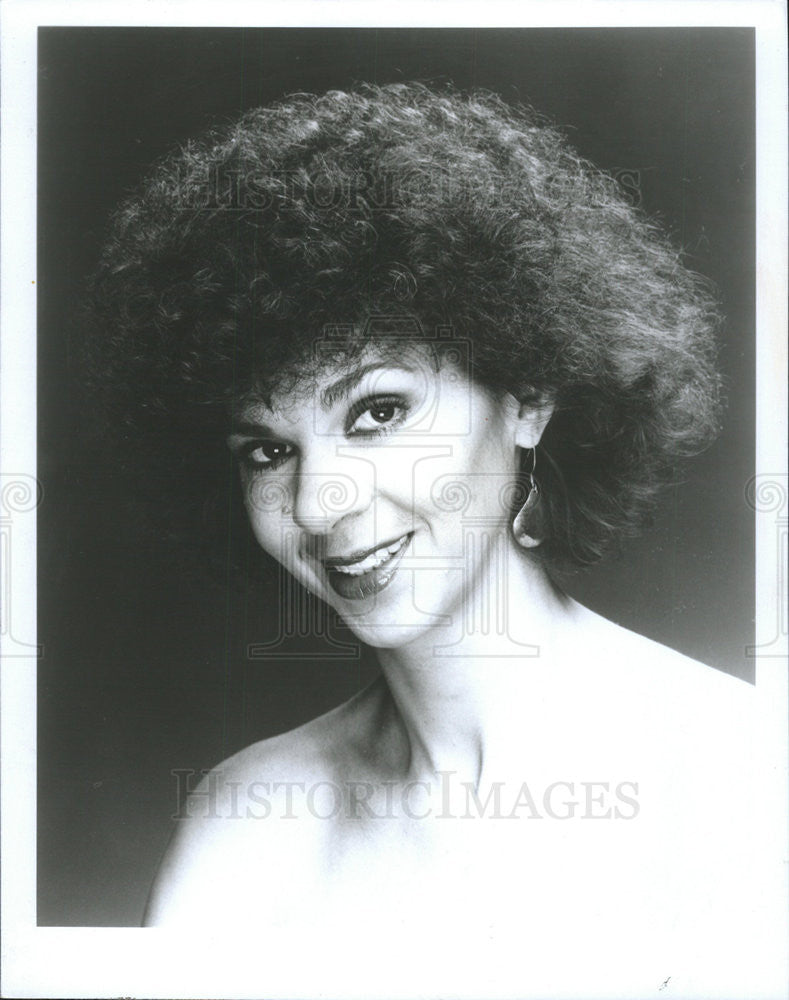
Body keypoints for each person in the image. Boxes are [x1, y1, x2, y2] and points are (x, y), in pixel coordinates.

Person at [87, 83, 760, 993]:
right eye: (267, 450)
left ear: (526, 396)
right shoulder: (245, 823)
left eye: (377, 412)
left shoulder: (744, 779)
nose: (319, 502)